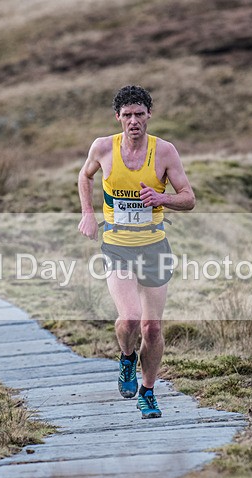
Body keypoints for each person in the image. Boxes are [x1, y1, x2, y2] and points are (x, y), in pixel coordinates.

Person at [78, 85, 195, 418]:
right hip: (117, 248)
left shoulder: (165, 152)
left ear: (149, 116)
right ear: (118, 118)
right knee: (129, 318)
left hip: (154, 247)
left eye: (139, 114)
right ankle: (127, 358)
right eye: (127, 115)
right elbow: (84, 176)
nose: (133, 121)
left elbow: (188, 197)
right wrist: (88, 213)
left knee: (153, 328)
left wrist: (163, 199)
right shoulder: (102, 148)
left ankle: (148, 391)